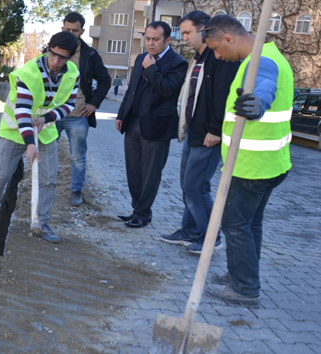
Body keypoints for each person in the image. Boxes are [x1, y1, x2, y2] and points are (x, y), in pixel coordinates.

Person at [201, 15, 293, 307]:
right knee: (250, 224)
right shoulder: (271, 54)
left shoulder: (260, 62)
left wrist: (258, 103)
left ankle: (244, 288)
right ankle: (240, 274)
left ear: (228, 38)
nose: (217, 55)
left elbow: (264, 86)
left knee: (235, 224)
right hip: (271, 163)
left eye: (216, 48)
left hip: (252, 166)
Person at [0, 31, 80, 243]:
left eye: (63, 57)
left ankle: (42, 222)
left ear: (70, 57)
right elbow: (22, 112)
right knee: (1, 173)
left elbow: (69, 105)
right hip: (16, 127)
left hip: (46, 129)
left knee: (49, 179)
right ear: (48, 48)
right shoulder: (28, 73)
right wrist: (30, 144)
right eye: (53, 54)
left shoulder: (72, 74)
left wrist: (46, 118)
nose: (56, 61)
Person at [159, 11, 239, 254]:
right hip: (193, 133)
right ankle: (190, 230)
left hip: (208, 136)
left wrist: (215, 129)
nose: (183, 37)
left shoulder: (219, 58)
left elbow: (224, 96)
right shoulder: (198, 58)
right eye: (181, 33)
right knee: (187, 184)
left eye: (187, 32)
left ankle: (210, 236)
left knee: (196, 186)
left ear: (203, 30)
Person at [115, 21, 188, 228]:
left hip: (157, 128)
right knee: (134, 171)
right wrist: (122, 114)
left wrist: (152, 68)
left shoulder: (178, 63)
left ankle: (143, 214)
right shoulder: (140, 58)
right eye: (147, 38)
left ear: (168, 40)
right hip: (133, 123)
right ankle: (136, 209)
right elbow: (132, 90)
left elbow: (167, 89)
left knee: (150, 174)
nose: (150, 43)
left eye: (155, 39)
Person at [58, 12, 111, 206]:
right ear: (62, 28)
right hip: (52, 115)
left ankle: (76, 191)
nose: (71, 34)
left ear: (82, 31)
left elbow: (105, 80)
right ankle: (42, 186)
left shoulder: (90, 55)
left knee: (78, 156)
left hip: (77, 116)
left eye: (75, 30)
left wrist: (94, 104)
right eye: (67, 29)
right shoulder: (52, 50)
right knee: (44, 151)